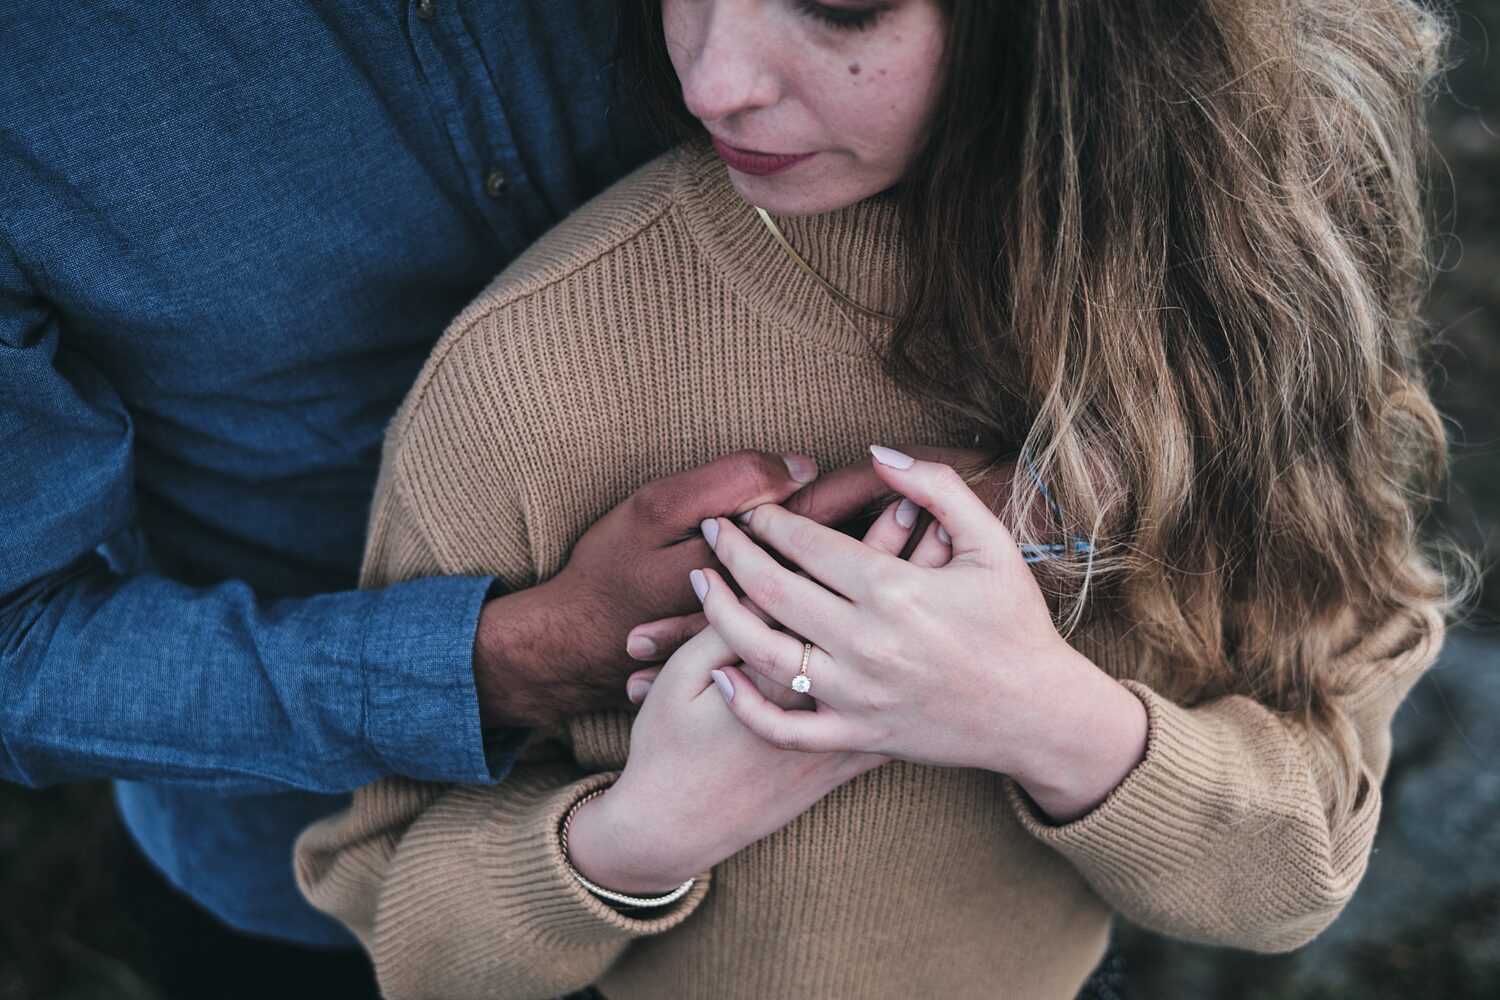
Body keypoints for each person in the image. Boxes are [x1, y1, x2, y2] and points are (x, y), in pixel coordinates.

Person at [295, 0, 1457, 997]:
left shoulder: (1241, 292)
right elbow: (395, 915)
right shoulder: (530, 373)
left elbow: (1300, 872)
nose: (713, 78)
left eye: (840, 3)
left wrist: (1038, 715)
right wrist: (637, 834)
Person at [0, 4, 902, 993]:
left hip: (874, 833)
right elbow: (14, 641)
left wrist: (1043, 469)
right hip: (340, 877)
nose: (712, 93)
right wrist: (508, 664)